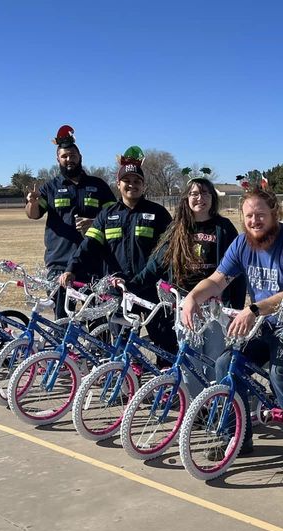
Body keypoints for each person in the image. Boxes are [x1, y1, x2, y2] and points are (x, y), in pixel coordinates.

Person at [180, 184, 283, 455]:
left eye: (260, 215)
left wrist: (253, 309)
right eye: (248, 216)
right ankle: (237, 437)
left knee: (279, 374)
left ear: (275, 213)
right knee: (226, 363)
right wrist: (192, 299)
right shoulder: (243, 242)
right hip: (266, 321)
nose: (254, 221)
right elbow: (217, 280)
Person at [135, 175, 246, 393]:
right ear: (186, 199)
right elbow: (154, 267)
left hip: (215, 306)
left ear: (212, 198)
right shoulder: (177, 229)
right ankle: (196, 408)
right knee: (189, 360)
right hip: (185, 305)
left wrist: (237, 307)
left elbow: (237, 271)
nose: (200, 198)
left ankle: (217, 403)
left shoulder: (223, 228)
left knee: (215, 359)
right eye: (194, 193)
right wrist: (130, 285)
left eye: (205, 193)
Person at [59, 147, 174, 353]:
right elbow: (89, 245)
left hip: (151, 291)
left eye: (137, 181)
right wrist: (71, 268)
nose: (132, 185)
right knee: (123, 348)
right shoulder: (106, 214)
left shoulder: (158, 213)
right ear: (118, 184)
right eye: (127, 181)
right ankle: (131, 378)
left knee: (165, 347)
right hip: (118, 291)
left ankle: (164, 380)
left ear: (144, 185)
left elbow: (168, 252)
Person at [25, 125, 117, 316]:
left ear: (80, 157)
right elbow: (33, 214)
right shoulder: (50, 187)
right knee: (62, 319)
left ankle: (97, 347)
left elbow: (115, 217)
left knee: (96, 319)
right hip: (59, 262)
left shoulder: (98, 185)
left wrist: (94, 222)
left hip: (93, 262)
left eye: (72, 155)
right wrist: (32, 202)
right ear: (57, 159)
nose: (69, 159)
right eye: (64, 156)